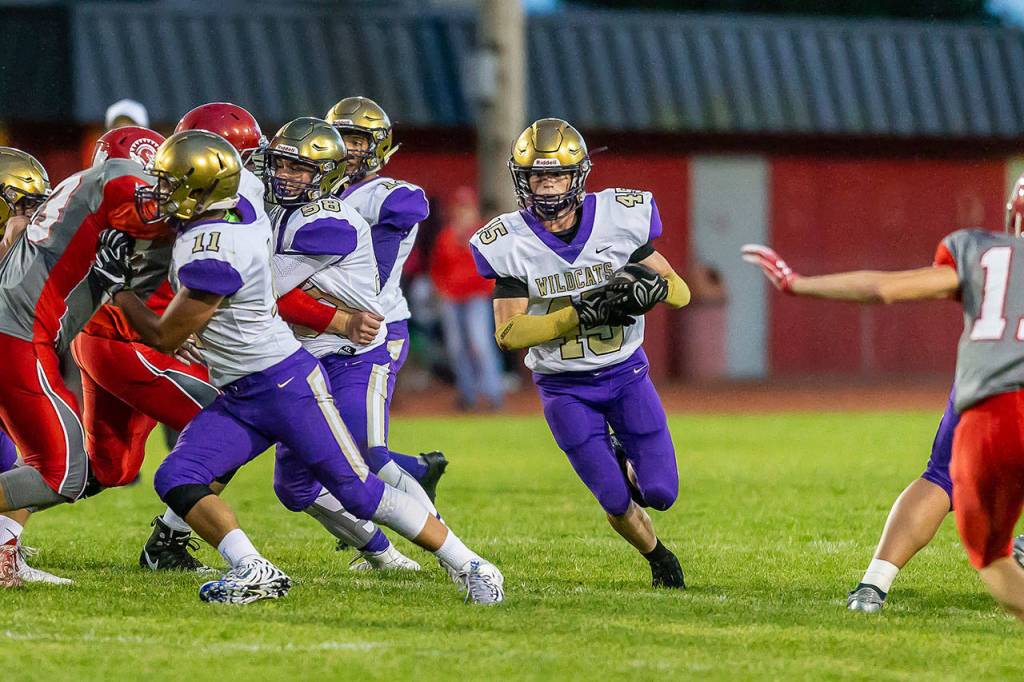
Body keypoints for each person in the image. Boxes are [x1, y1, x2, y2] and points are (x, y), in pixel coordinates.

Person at [105, 129, 503, 604]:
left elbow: (179, 327)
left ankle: (473, 564)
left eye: (299, 168)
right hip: (249, 385)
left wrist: (120, 289)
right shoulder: (254, 201)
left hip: (294, 377)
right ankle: (254, 569)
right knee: (182, 476)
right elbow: (244, 185)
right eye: (278, 165)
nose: (282, 176)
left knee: (359, 486)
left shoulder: (313, 224)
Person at [742, 180, 1024, 623]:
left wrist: (797, 283)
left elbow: (884, 289)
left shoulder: (982, 253)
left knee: (940, 480)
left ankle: (874, 584)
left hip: (982, 395)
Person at [470, 118, 691, 588]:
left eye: (556, 176)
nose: (547, 186)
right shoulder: (510, 241)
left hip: (626, 374)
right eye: (537, 177)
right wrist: (578, 314)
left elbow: (681, 292)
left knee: (661, 492)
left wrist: (648, 291)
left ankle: (624, 454)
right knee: (613, 498)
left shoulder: (620, 217)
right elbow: (508, 333)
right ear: (522, 179)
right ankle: (657, 556)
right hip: (564, 387)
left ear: (578, 176)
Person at [0, 140, 170, 587]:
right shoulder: (109, 184)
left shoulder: (79, 216)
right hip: (16, 336)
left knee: (38, 460)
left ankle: (4, 554)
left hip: (22, 335)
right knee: (58, 470)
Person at [325, 96, 447, 495]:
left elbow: (407, 207)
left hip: (377, 327)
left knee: (360, 447)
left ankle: (435, 534)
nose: (347, 147)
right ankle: (414, 474)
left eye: (357, 139)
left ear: (378, 145)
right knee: (325, 443)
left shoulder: (386, 193)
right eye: (341, 137)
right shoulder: (318, 192)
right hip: (323, 330)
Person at [429, 186, 506, 410]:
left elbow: (495, 264)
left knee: (480, 345)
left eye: (467, 207)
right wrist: (441, 288)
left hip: (476, 297)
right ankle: (468, 395)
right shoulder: (446, 236)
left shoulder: (483, 234)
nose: (463, 211)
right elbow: (436, 268)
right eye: (459, 207)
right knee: (456, 348)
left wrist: (490, 288)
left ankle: (494, 394)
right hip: (451, 298)